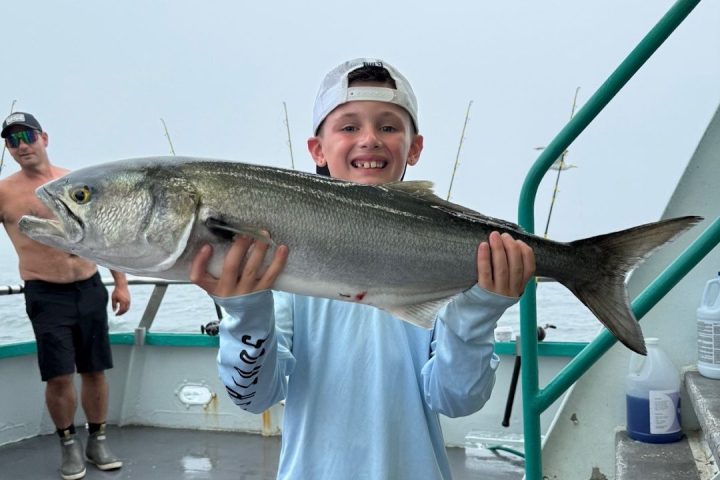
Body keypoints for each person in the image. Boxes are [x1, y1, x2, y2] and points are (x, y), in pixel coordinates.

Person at [190, 58, 536, 479]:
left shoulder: (444, 261)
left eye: (388, 127)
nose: (369, 139)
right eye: (349, 127)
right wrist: (246, 310)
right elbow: (254, 396)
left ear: (415, 147)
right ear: (318, 148)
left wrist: (479, 307)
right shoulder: (280, 266)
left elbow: (456, 400)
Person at [0, 112, 131, 480]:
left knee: (95, 370)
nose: (22, 145)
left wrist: (119, 282)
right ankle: (68, 444)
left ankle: (98, 440)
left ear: (44, 138)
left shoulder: (75, 182)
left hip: (89, 287)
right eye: (12, 140)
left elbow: (105, 235)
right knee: (58, 376)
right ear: (8, 150)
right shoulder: (5, 192)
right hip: (45, 292)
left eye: (27, 136)